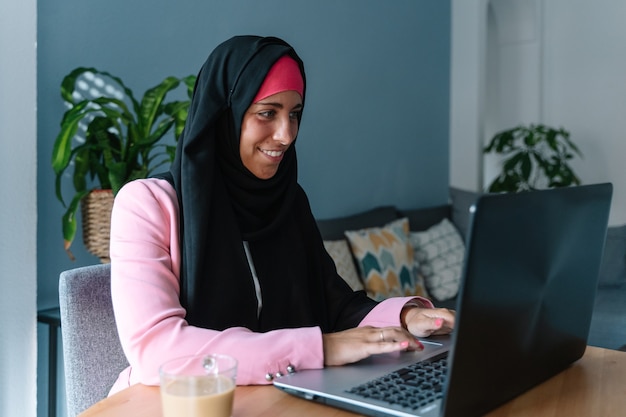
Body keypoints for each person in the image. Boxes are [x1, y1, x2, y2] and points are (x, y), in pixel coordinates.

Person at [108, 35, 455, 394]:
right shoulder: (147, 204)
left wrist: (407, 318)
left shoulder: (286, 201)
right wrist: (321, 348)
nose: (286, 134)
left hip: (274, 397)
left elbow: (334, 304)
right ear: (226, 112)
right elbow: (157, 349)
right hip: (173, 402)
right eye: (267, 113)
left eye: (295, 114)